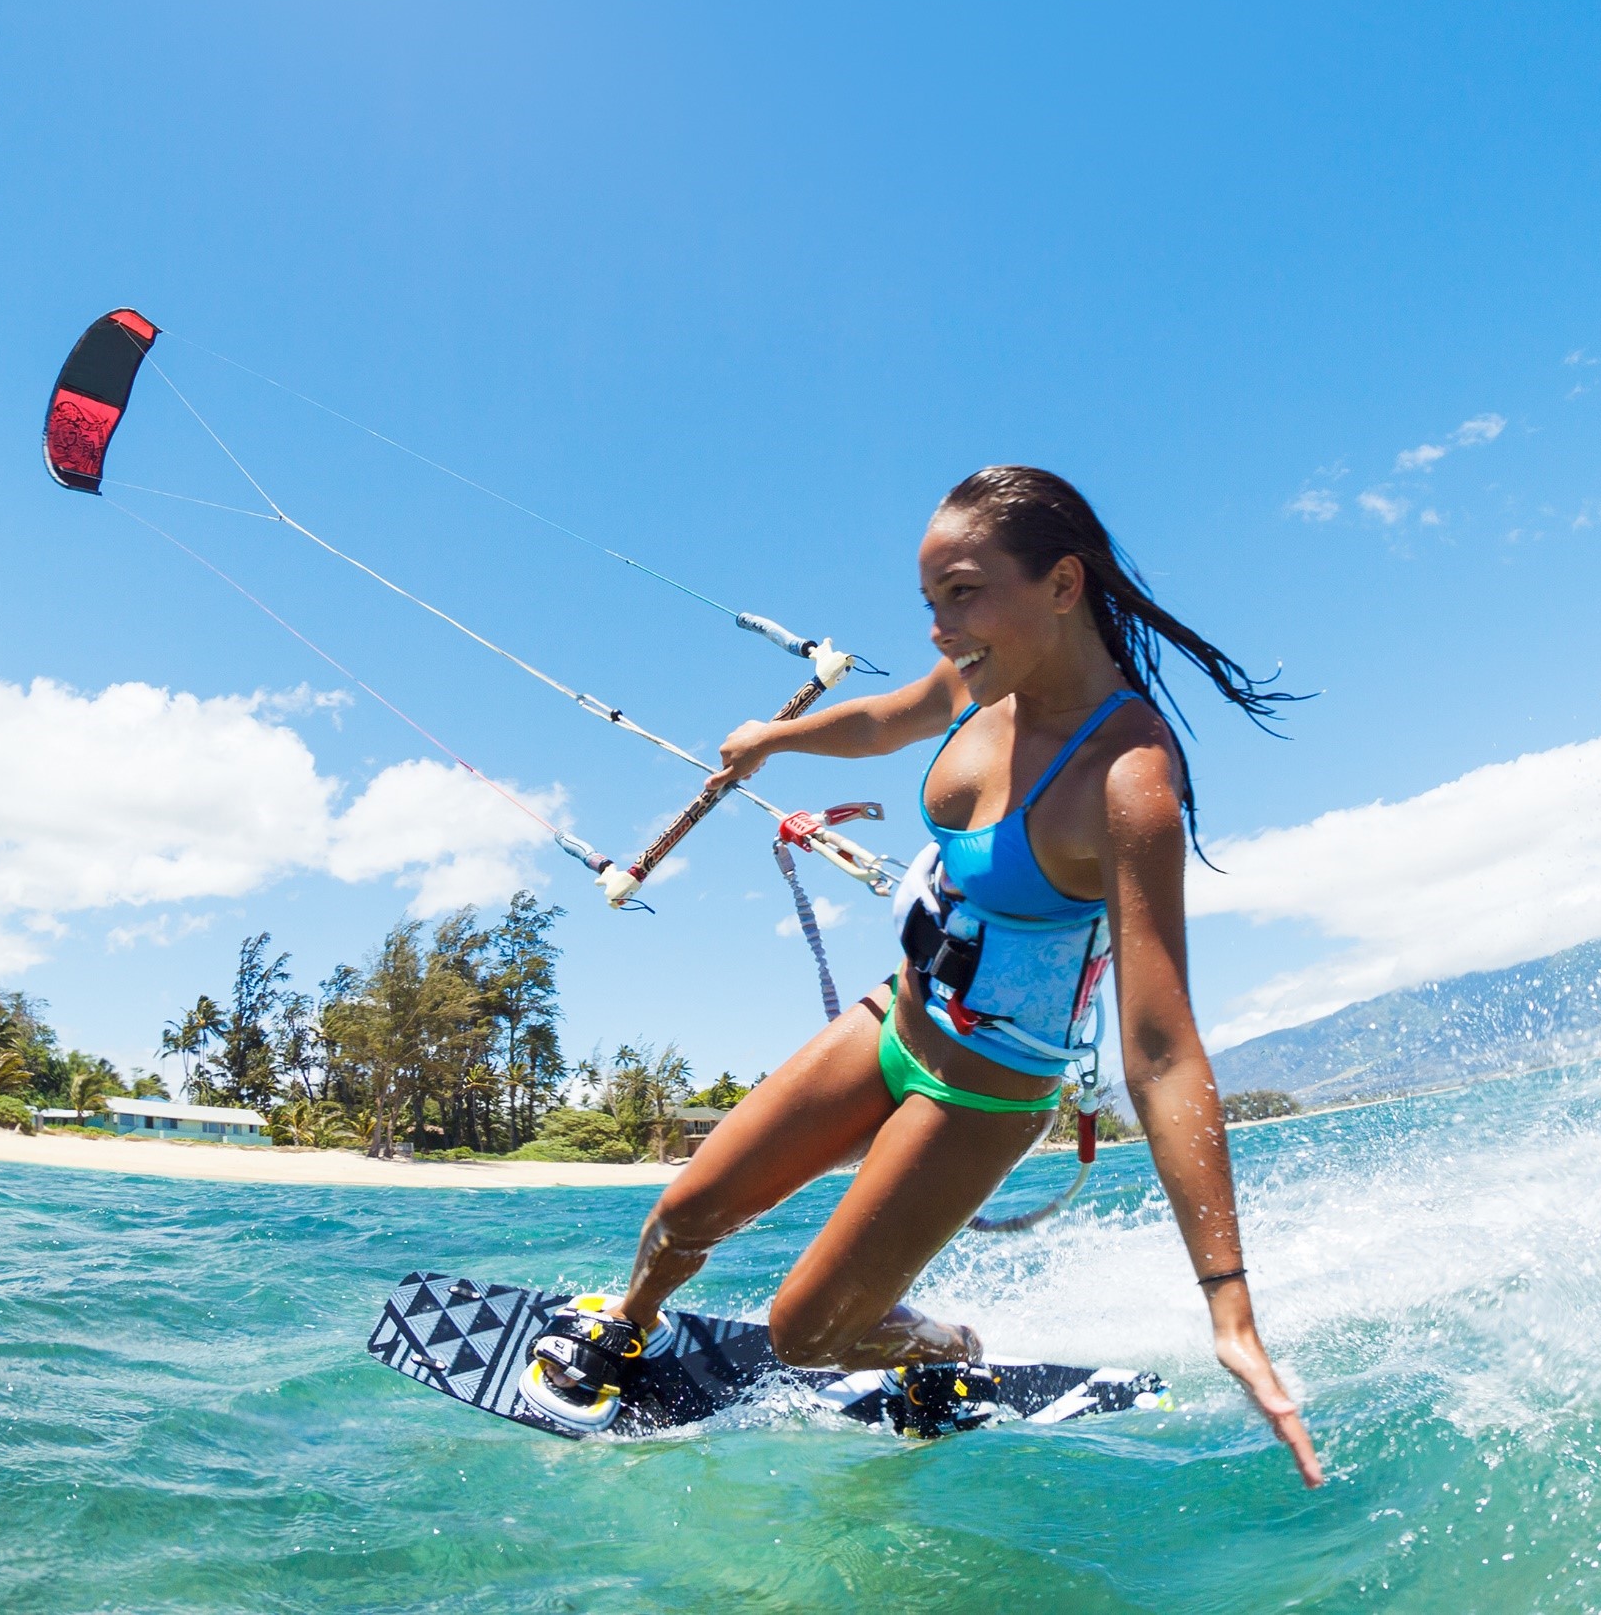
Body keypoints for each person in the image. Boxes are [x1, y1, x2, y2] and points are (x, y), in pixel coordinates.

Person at [529, 466, 1323, 1484]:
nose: (943, 629)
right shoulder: (983, 678)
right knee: (685, 1214)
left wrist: (1231, 1310)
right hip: (897, 1015)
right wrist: (777, 738)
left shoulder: (1129, 780)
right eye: (932, 604)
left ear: (1063, 586)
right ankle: (628, 1321)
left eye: (964, 593)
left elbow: (1163, 1052)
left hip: (985, 1089)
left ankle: (945, 1348)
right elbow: (882, 720)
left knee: (805, 1333)